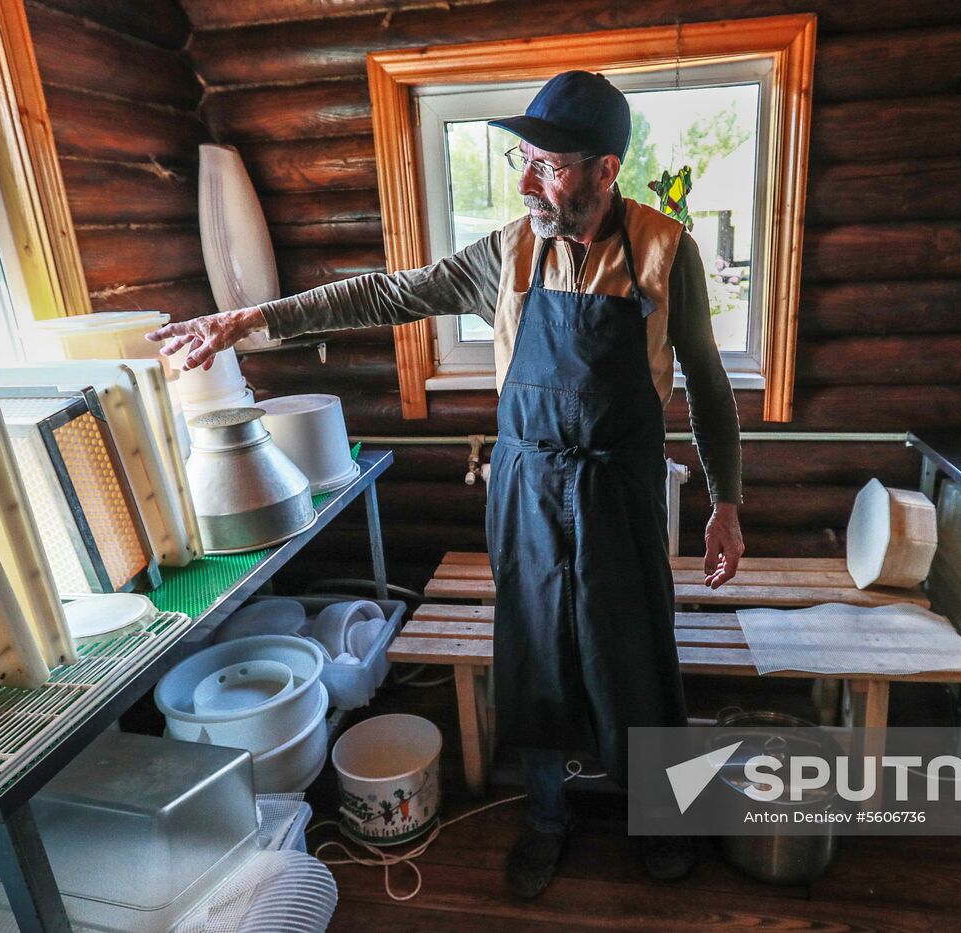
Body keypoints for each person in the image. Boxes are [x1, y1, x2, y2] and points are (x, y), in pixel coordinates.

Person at [149, 70, 744, 899]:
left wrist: (725, 502)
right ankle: (547, 817)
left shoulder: (662, 251)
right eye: (525, 161)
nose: (532, 179)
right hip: (528, 488)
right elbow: (391, 293)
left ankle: (663, 817)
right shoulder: (505, 253)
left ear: (606, 170)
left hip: (621, 492)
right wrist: (248, 321)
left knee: (635, 656)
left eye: (553, 165)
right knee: (535, 657)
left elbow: (710, 386)